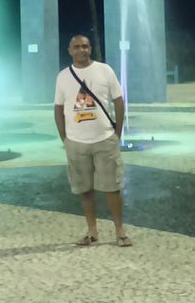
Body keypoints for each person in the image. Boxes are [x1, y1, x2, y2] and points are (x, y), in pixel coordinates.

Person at [54, 34, 131, 247]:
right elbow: (58, 109)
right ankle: (92, 231)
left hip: (104, 139)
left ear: (90, 49)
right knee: (84, 189)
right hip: (76, 142)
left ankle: (120, 231)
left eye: (85, 46)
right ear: (70, 50)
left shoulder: (104, 70)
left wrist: (117, 133)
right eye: (77, 47)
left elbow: (118, 101)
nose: (82, 50)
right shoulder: (63, 76)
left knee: (111, 187)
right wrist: (65, 138)